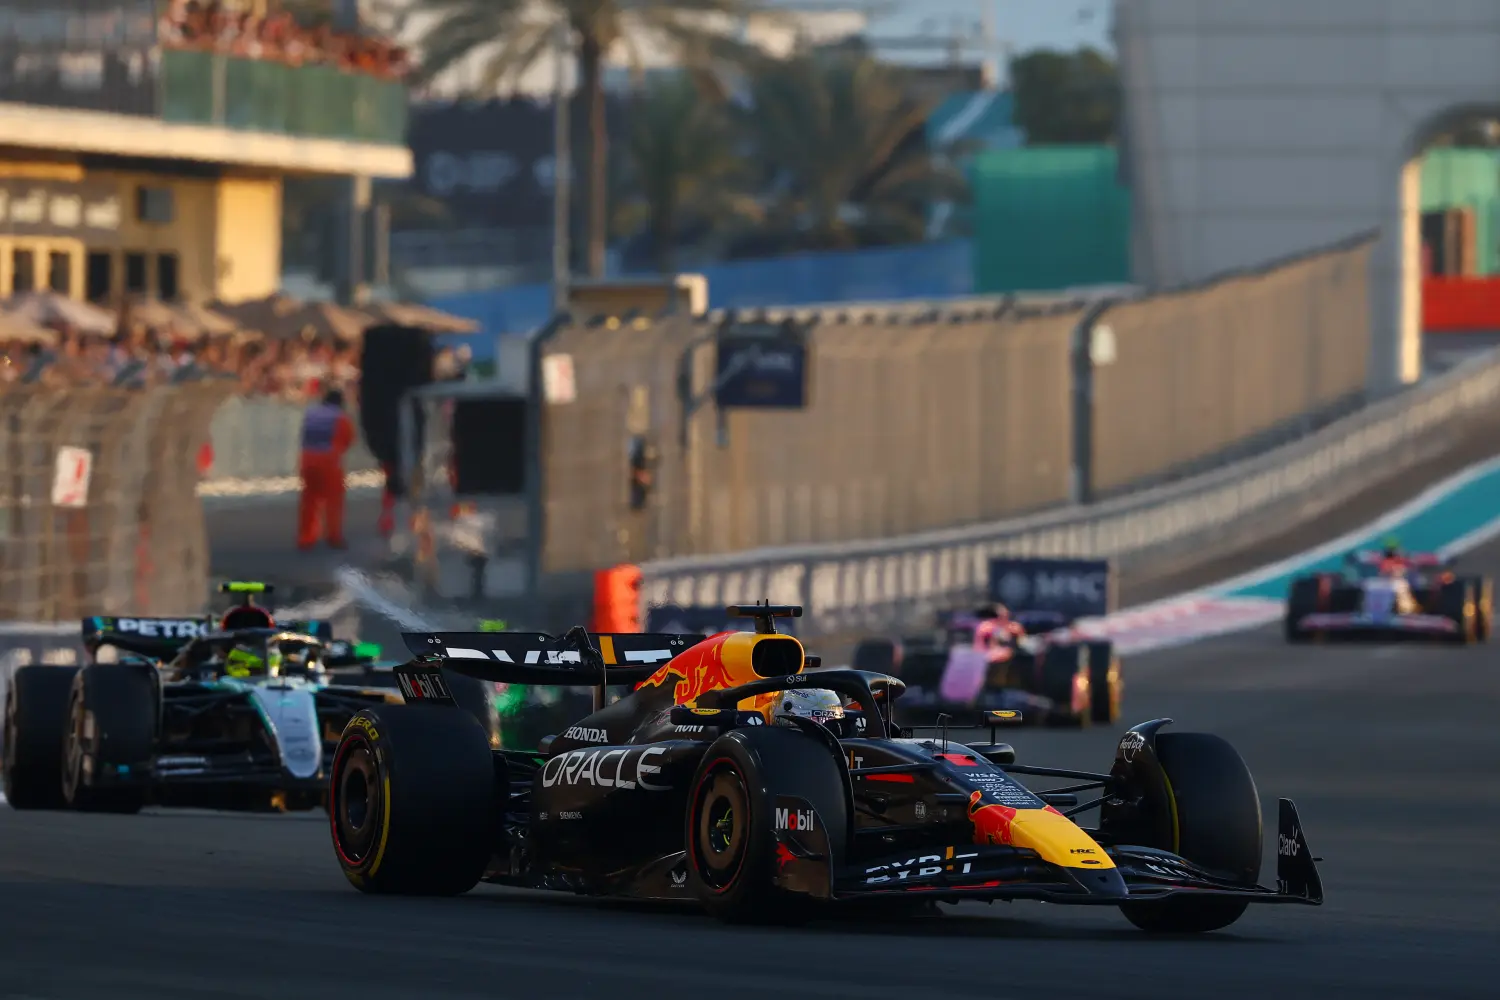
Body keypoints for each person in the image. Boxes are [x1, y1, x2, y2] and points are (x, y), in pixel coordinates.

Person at [297, 386, 355, 550]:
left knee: (309, 500)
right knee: (333, 500)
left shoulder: (310, 414)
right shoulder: (339, 417)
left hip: (307, 458)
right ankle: (333, 536)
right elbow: (347, 438)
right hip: (329, 461)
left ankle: (306, 537)